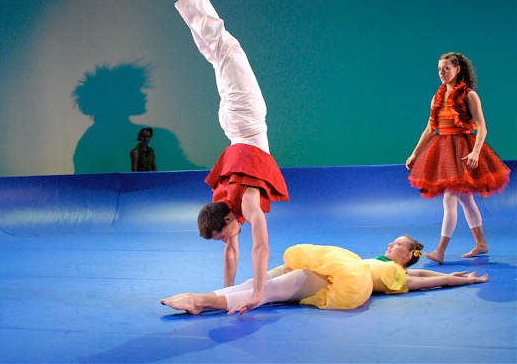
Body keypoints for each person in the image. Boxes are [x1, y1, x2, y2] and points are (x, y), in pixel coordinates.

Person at [174, 0, 290, 314]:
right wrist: (225, 295)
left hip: (245, 122)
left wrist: (257, 293)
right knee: (216, 54)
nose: (226, 240)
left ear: (226, 219)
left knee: (226, 48)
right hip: (233, 127)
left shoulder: (246, 200)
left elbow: (261, 247)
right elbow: (233, 251)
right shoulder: (224, 205)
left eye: (222, 234)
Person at [161, 235, 488, 315]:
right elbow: (427, 274)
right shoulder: (377, 260)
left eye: (398, 244)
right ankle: (209, 295)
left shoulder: (396, 274)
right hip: (331, 265)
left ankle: (202, 301)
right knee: (257, 282)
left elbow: (429, 281)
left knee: (274, 289)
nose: (391, 244)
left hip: (340, 281)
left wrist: (463, 280)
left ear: (407, 257)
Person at [405, 52, 510, 264]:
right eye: (439, 69)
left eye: (446, 68)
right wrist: (415, 153)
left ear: (457, 69)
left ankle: (440, 250)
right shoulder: (437, 97)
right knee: (466, 199)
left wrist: (476, 152)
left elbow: (482, 128)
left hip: (463, 150)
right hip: (444, 150)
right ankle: (481, 243)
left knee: (450, 198)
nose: (442, 73)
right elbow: (430, 129)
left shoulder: (469, 95)